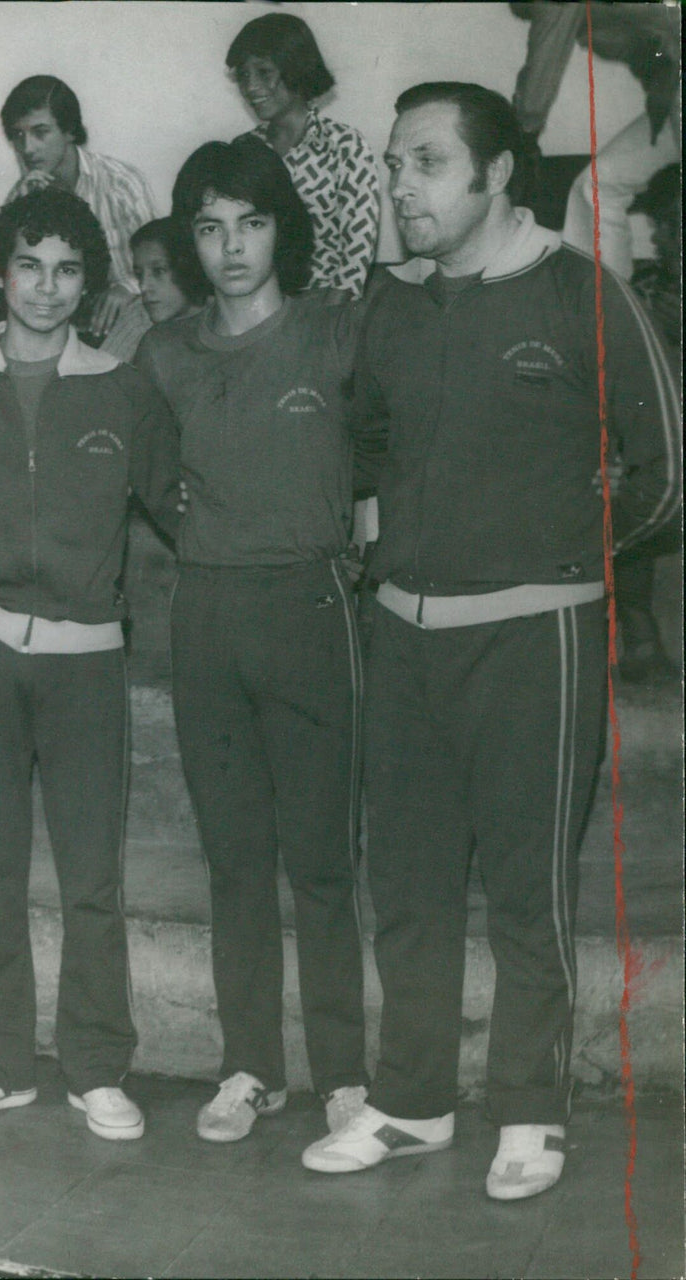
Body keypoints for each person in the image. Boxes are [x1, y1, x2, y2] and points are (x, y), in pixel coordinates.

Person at [301, 82, 679, 1197]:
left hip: (532, 639)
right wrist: (374, 531)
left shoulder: (581, 296)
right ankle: (410, 1100)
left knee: (526, 889)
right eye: (391, 163)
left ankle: (528, 1107)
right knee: (409, 886)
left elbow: (665, 470)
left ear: (496, 171)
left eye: (424, 163)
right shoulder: (392, 305)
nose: (397, 185)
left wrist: (570, 553)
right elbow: (362, 436)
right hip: (404, 637)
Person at [0, 188, 179, 1139]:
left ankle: (98, 1066)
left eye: (66, 270)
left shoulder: (123, 388)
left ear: (88, 283)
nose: (46, 288)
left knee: (94, 874)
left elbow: (181, 505)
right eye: (29, 266)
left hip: (85, 665)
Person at [134, 135, 368, 1145]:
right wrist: (189, 520)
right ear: (191, 239)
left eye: (252, 221)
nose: (231, 245)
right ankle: (248, 1067)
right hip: (208, 616)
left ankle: (346, 1076)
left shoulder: (337, 334)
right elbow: (145, 473)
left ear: (284, 227)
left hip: (312, 609)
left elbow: (391, 447)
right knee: (234, 857)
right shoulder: (164, 352)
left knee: (318, 858)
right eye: (210, 226)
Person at [510, 2, 680, 280]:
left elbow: (539, 81)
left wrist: (521, 138)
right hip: (671, 92)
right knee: (598, 186)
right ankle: (611, 307)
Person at [226, 12, 380, 300]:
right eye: (243, 75)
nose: (250, 87)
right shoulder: (243, 149)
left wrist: (323, 323)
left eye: (264, 72)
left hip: (324, 308)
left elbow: (355, 256)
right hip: (254, 306)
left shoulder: (344, 145)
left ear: (296, 70)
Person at [0, 76, 157, 343]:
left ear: (70, 130)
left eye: (40, 132)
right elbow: (6, 282)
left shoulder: (121, 184)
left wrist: (127, 288)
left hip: (124, 315)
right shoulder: (21, 195)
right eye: (18, 135)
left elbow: (160, 263)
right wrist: (26, 208)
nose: (27, 148)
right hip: (58, 320)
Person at [614, 163, 681, 683]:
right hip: (658, 444)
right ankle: (638, 636)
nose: (658, 236)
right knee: (618, 476)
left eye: (668, 223)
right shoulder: (648, 283)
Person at [101, 217, 207, 363]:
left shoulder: (226, 316)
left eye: (158, 271)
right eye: (139, 274)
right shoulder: (139, 316)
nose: (143, 286)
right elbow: (98, 380)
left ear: (188, 267)